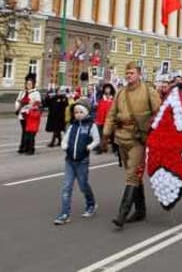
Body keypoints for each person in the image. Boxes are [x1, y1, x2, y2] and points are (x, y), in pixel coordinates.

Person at [102, 61, 161, 229]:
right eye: (127, 73)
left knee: (132, 175)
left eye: (132, 73)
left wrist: (152, 130)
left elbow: (159, 113)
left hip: (138, 139)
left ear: (139, 74)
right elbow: (111, 115)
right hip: (121, 138)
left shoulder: (149, 91)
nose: (129, 76)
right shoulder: (120, 93)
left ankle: (122, 214)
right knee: (133, 174)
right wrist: (105, 135)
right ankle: (140, 210)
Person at [53, 98, 100, 225]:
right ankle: (64, 214)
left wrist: (89, 147)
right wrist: (64, 144)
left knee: (83, 185)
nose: (78, 114)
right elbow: (66, 138)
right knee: (66, 188)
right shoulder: (72, 126)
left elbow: (96, 140)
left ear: (86, 112)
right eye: (76, 112)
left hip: (82, 161)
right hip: (69, 161)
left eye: (80, 112)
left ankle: (91, 204)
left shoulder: (91, 125)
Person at [15, 73, 41, 155]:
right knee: (24, 131)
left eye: (30, 84)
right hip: (22, 115)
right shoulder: (22, 92)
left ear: (33, 84)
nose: (28, 85)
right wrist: (17, 107)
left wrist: (32, 104)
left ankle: (30, 148)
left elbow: (38, 104)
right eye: (27, 83)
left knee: (30, 132)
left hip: (30, 115)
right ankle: (23, 147)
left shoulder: (36, 93)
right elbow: (18, 100)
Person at [95, 83, 116, 154]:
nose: (107, 90)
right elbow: (99, 109)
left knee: (112, 135)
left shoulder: (113, 98)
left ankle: (115, 148)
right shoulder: (101, 98)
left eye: (108, 88)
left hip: (111, 119)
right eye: (106, 88)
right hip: (102, 119)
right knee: (102, 135)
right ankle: (102, 148)